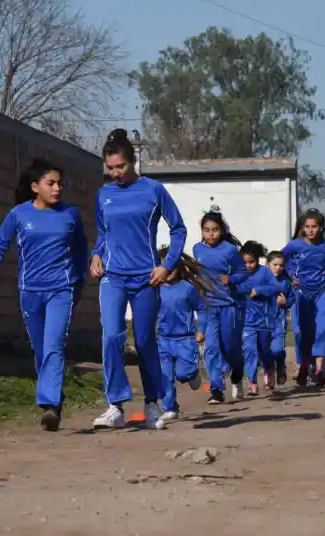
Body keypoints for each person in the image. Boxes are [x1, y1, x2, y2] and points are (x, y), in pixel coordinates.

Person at [90, 129, 187, 430]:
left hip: (146, 278)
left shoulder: (153, 190)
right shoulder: (103, 195)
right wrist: (95, 255)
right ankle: (115, 405)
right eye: (111, 168)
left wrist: (166, 265)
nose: (116, 173)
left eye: (121, 167)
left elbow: (178, 229)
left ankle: (152, 403)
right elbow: (103, 234)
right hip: (113, 277)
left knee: (145, 340)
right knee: (111, 336)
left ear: (133, 162)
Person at [0, 158, 88, 432]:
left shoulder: (70, 215)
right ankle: (56, 398)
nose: (57, 188)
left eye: (59, 184)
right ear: (34, 187)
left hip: (61, 290)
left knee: (54, 345)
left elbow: (80, 250)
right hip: (30, 291)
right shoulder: (18, 215)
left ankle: (49, 404)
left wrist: (79, 281)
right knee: (41, 349)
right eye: (50, 183)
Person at [282, 209, 325, 387]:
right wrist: (289, 276)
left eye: (314, 226)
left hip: (322, 290)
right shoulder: (294, 245)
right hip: (301, 291)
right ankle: (303, 366)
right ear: (302, 228)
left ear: (321, 227)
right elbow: (278, 260)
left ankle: (319, 370)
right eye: (307, 226)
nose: (310, 230)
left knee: (322, 328)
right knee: (301, 331)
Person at [193, 210, 248, 404]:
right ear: (202, 230)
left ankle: (237, 372)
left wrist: (231, 279)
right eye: (207, 230)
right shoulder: (197, 249)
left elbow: (243, 273)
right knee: (211, 348)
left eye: (215, 230)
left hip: (228, 305)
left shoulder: (230, 250)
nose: (211, 234)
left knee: (230, 347)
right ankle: (216, 389)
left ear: (222, 230)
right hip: (208, 306)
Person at [155, 247, 212, 422]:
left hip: (185, 339)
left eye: (172, 265)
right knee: (165, 376)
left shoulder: (187, 288)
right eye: (165, 266)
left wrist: (201, 330)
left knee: (183, 374)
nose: (169, 270)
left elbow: (202, 309)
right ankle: (170, 407)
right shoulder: (155, 289)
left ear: (179, 267)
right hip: (164, 340)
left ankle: (193, 374)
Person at [236, 241, 283, 394]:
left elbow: (276, 288)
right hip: (246, 321)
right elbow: (235, 289)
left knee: (264, 350)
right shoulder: (238, 275)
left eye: (252, 262)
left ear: (258, 260)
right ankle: (252, 382)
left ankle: (269, 368)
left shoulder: (265, 272)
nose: (248, 265)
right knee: (249, 350)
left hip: (264, 320)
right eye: (245, 263)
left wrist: (259, 290)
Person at [267, 251, 293, 386]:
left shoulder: (285, 282)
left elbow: (292, 299)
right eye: (275, 264)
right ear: (268, 265)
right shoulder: (261, 279)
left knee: (277, 350)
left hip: (278, 320)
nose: (278, 268)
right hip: (261, 321)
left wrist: (286, 303)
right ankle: (269, 372)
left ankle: (281, 366)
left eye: (281, 265)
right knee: (264, 351)